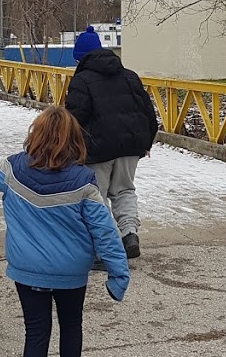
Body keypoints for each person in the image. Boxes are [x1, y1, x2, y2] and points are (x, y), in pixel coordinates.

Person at [0, 106, 130, 357]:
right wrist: (118, 273)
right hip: (71, 273)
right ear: (74, 140)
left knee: (36, 334)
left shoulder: (11, 171)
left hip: (27, 271)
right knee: (71, 326)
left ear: (34, 135)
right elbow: (105, 231)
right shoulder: (84, 183)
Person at [65, 47, 159, 260]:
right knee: (124, 190)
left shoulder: (82, 80)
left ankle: (104, 247)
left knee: (96, 197)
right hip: (130, 145)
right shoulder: (130, 76)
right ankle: (129, 234)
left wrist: (69, 148)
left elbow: (74, 118)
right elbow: (148, 112)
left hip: (97, 148)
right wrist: (146, 143)